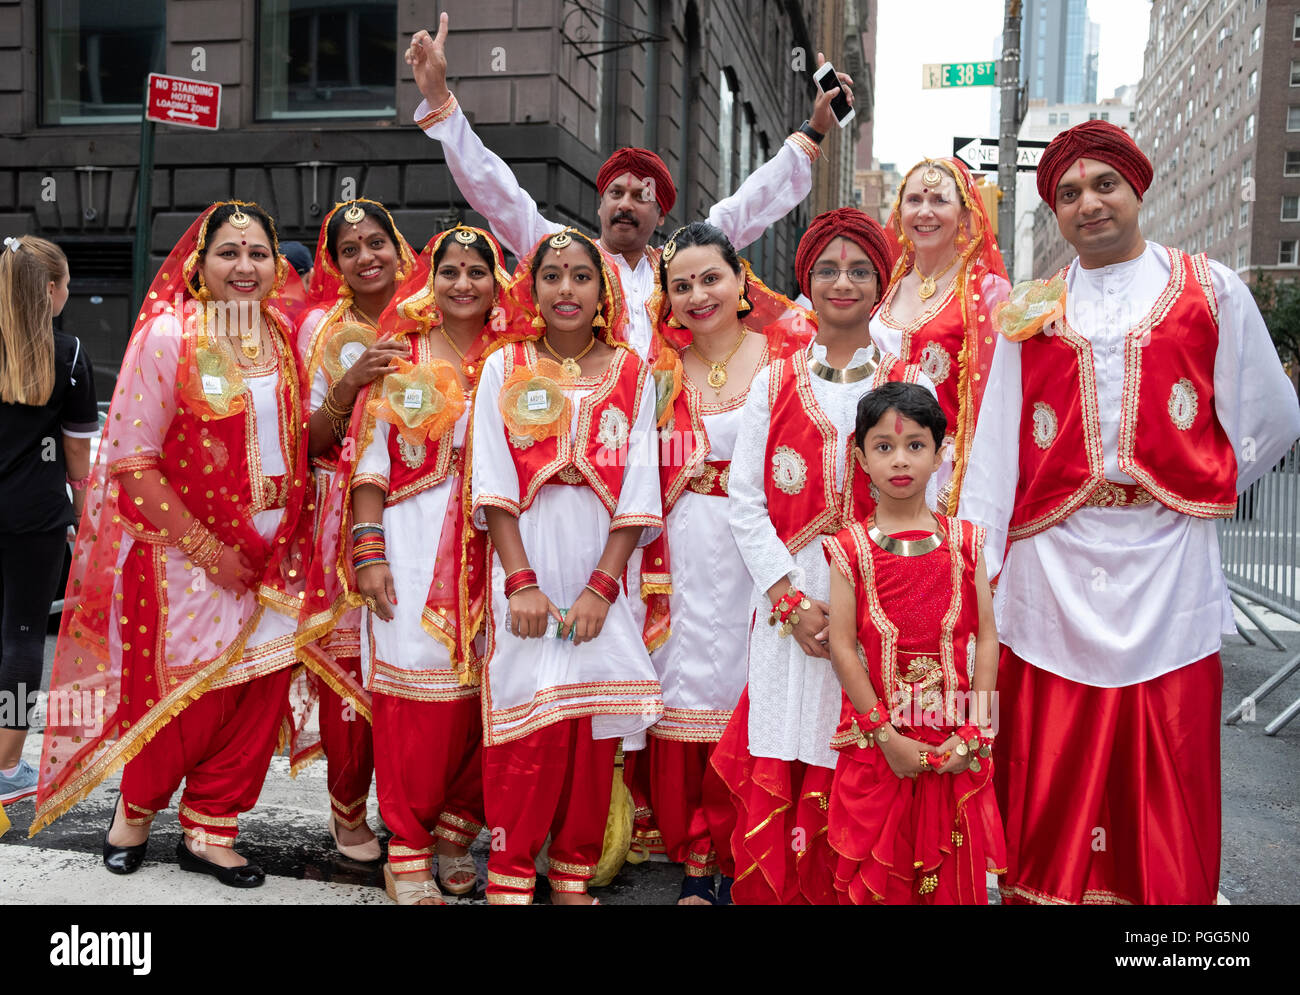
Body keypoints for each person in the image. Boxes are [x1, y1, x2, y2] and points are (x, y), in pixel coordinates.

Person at [958, 120, 1300, 905]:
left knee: (1167, 736)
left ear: (1136, 188)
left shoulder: (1211, 287)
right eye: (1069, 194)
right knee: (1054, 737)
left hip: (1168, 554)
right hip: (1053, 558)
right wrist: (978, 569)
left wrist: (1198, 481)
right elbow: (998, 445)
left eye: (1104, 185)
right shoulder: (1031, 307)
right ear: (1057, 212)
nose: (1089, 204)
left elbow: (1272, 412)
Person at [31, 201, 314, 888]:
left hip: (274, 554)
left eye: (257, 253)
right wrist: (208, 547)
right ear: (200, 263)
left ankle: (213, 827)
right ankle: (135, 810)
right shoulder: (169, 334)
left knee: (256, 691)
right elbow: (132, 460)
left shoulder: (281, 334)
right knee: (183, 697)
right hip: (183, 556)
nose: (245, 267)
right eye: (229, 252)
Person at [713, 208, 935, 904]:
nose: (844, 282)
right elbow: (742, 497)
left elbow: (936, 492)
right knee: (788, 749)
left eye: (860, 268)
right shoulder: (776, 381)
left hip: (884, 604)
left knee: (867, 756)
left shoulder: (909, 376)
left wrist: (869, 608)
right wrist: (789, 600)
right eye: (829, 269)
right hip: (791, 602)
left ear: (881, 281)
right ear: (806, 281)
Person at [404, 12, 851, 358]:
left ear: (661, 215)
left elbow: (749, 205)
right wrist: (442, 101)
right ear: (600, 206)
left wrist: (813, 131)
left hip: (668, 439)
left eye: (642, 196)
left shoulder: (679, 266)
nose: (626, 204)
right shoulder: (564, 255)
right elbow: (496, 192)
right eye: (615, 193)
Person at [471, 228, 663, 905]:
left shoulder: (634, 372)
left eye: (582, 276)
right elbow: (492, 481)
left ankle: (574, 868)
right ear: (532, 288)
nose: (566, 289)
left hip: (602, 569)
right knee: (524, 718)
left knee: (590, 726)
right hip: (527, 559)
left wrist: (601, 590)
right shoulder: (505, 366)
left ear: (604, 290)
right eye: (552, 276)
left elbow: (642, 486)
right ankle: (512, 871)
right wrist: (520, 582)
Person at [333, 224, 510, 904]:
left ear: (499, 282)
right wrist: (368, 548)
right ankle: (405, 844)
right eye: (451, 270)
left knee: (492, 694)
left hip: (500, 545)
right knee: (417, 696)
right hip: (411, 539)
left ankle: (456, 830)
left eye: (478, 270)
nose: (464, 282)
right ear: (430, 280)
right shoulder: (401, 353)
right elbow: (368, 458)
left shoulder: (520, 358)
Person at [638, 221, 813, 904]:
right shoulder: (657, 373)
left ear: (743, 281)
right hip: (680, 551)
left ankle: (754, 842)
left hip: (766, 547)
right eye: (680, 285)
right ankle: (696, 854)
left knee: (755, 685)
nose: (697, 294)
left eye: (711, 277)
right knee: (684, 686)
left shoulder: (787, 356)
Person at [822, 382, 1004, 904]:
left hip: (954, 742)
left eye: (915, 445)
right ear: (860, 458)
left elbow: (987, 640)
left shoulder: (967, 543)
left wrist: (975, 730)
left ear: (939, 453)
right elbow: (842, 648)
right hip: (879, 745)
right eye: (884, 447)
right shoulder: (848, 549)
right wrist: (886, 737)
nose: (900, 460)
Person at [295, 199, 420, 862]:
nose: (368, 256)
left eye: (378, 242)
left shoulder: (433, 314)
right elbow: (303, 439)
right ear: (335, 263)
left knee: (424, 661)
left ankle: (424, 810)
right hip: (342, 519)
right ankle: (349, 815)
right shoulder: (319, 327)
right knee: (348, 668)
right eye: (352, 249)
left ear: (399, 247)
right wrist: (347, 385)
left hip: (432, 518)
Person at [0, 236, 97, 806]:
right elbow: (79, 456)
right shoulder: (71, 354)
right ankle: (7, 760)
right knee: (21, 636)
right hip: (34, 513)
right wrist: (86, 516)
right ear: (53, 291)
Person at [872, 157, 1009, 511]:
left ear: (965, 215)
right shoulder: (883, 285)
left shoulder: (987, 292)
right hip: (873, 465)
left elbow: (996, 402)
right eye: (915, 200)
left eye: (939, 201)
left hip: (946, 476)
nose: (925, 212)